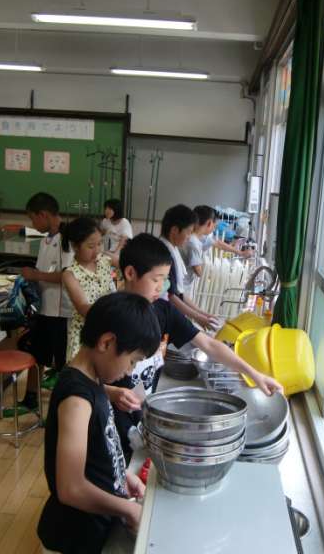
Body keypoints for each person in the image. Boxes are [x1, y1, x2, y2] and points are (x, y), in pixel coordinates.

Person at [104, 233, 283, 461]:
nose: (161, 287)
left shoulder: (163, 311)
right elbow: (81, 375)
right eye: (156, 279)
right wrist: (112, 392)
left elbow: (209, 345)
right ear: (130, 273)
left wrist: (255, 375)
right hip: (108, 420)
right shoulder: (109, 315)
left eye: (165, 280)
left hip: (141, 415)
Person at [37, 292, 161, 554]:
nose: (130, 370)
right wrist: (128, 509)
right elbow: (70, 488)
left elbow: (100, 449)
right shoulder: (77, 400)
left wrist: (122, 476)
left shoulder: (95, 382)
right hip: (74, 536)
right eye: (132, 361)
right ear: (106, 342)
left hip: (95, 524)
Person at [15, 193, 73, 413]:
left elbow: (67, 276)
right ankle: (30, 398)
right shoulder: (46, 239)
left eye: (33, 218)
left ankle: (63, 408)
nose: (33, 224)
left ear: (44, 215)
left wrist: (35, 275)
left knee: (63, 363)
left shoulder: (67, 239)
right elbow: (44, 271)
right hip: (44, 308)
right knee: (36, 354)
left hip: (61, 312)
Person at [62, 217, 119, 362]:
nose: (97, 250)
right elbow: (83, 307)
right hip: (84, 336)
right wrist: (115, 311)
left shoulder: (105, 259)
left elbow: (128, 265)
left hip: (108, 330)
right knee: (84, 372)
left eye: (100, 243)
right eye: (91, 246)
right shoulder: (70, 274)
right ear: (75, 246)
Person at [159, 204, 216, 330]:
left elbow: (179, 293)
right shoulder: (165, 254)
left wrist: (202, 314)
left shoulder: (173, 249)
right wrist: (199, 317)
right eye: (189, 232)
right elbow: (172, 296)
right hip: (164, 311)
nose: (189, 237)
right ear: (175, 230)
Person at [181, 205, 254, 292]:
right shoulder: (193, 243)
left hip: (186, 283)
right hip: (183, 285)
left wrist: (240, 253)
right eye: (214, 226)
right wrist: (222, 277)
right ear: (209, 223)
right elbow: (198, 271)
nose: (214, 229)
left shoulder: (198, 236)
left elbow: (217, 243)